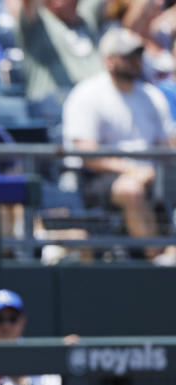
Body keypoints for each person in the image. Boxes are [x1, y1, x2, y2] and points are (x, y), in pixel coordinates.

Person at [61, 27, 176, 264]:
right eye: (128, 57)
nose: (135, 62)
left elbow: (168, 143)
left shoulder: (152, 95)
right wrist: (133, 170)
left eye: (137, 56)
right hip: (99, 179)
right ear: (109, 61)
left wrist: (153, 169)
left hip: (153, 173)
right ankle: (158, 257)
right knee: (130, 188)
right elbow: (88, 155)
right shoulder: (87, 94)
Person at [8, 0, 104, 101]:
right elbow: (29, 4)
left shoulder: (86, 18)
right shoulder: (37, 24)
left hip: (96, 103)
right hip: (52, 107)